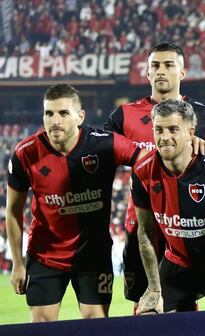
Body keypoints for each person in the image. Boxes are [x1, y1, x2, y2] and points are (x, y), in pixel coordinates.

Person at [7, 84, 143, 321]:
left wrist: (189, 146)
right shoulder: (25, 153)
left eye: (63, 113)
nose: (55, 120)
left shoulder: (106, 144)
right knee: (42, 330)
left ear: (80, 116)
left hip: (93, 254)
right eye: (49, 113)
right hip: (45, 256)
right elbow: (13, 211)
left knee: (95, 329)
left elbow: (149, 161)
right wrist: (17, 263)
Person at [105, 42, 205, 312]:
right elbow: (98, 153)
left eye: (169, 65)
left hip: (189, 227)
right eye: (155, 65)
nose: (161, 71)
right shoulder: (123, 116)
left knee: (185, 303)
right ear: (146, 73)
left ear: (182, 72)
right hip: (142, 227)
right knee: (145, 305)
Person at [131, 99, 205, 313]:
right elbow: (146, 232)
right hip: (176, 261)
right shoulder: (142, 170)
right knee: (147, 317)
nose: (164, 137)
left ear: (190, 132)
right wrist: (154, 288)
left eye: (173, 129)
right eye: (158, 130)